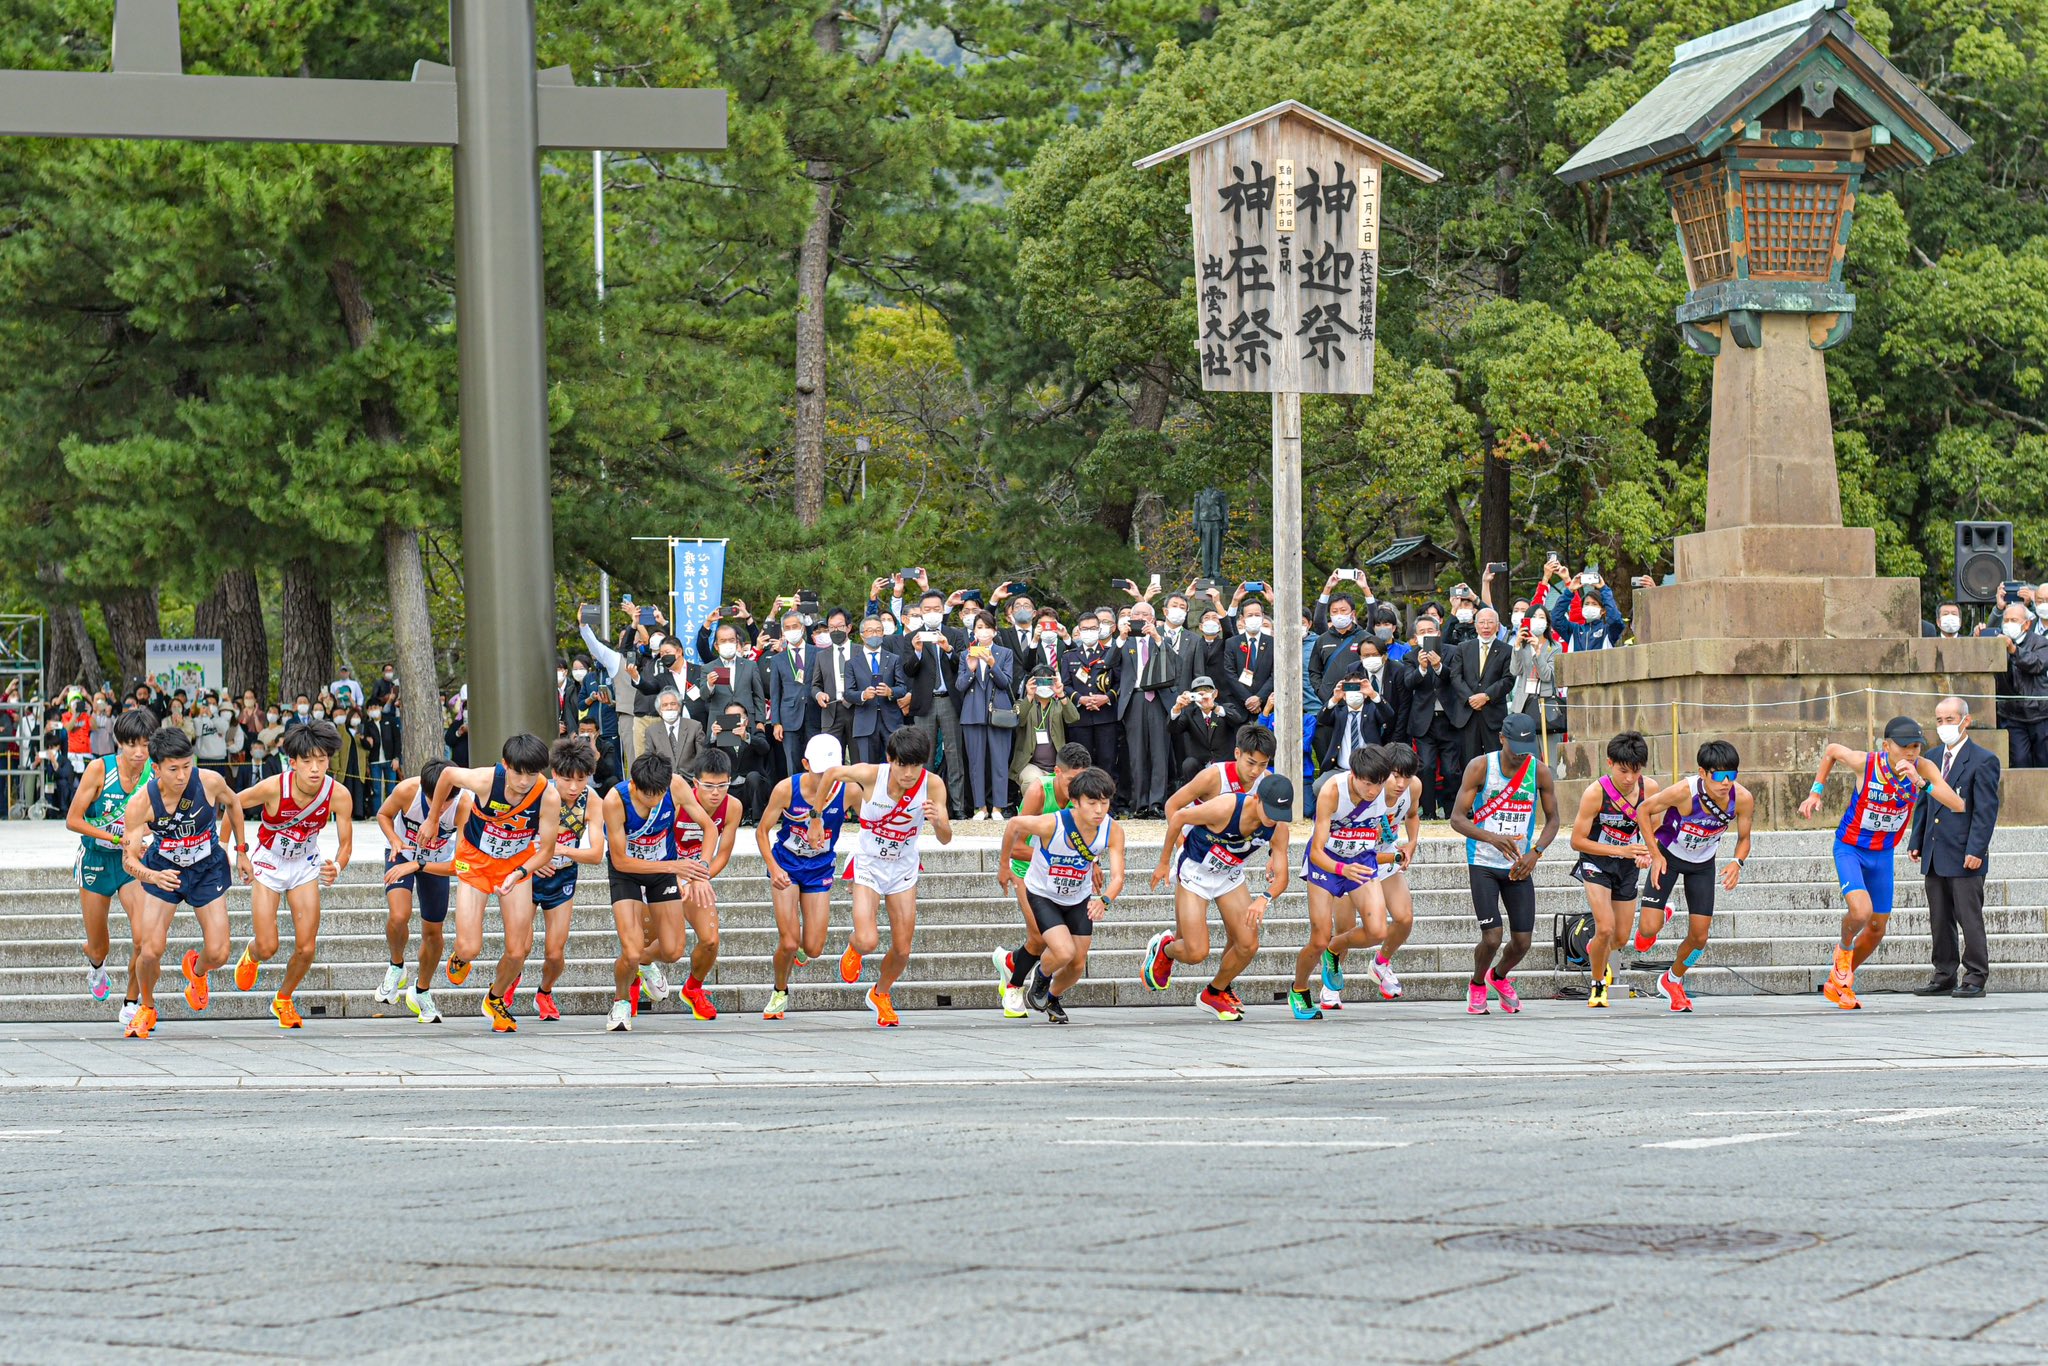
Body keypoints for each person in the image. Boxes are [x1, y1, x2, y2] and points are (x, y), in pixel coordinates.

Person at [1798, 719, 1965, 1012]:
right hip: (1851, 848)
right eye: (1904, 747)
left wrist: (1921, 783)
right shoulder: (1866, 763)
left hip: (1883, 854)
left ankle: (1840, 981)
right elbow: (1833, 750)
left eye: (1916, 747)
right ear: (1887, 746)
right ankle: (1843, 950)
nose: (1911, 753)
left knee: (1876, 928)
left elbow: (1957, 804)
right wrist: (1816, 792)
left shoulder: (1923, 768)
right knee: (1861, 912)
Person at [810, 726, 954, 1027]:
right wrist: (816, 816)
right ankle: (854, 948)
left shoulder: (933, 785)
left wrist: (939, 822)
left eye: (916, 765)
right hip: (869, 863)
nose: (909, 773)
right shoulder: (870, 775)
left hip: (903, 866)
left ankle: (880, 993)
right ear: (890, 759)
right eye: (902, 765)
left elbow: (945, 838)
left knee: (902, 949)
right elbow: (832, 773)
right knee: (867, 940)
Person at [422, 733, 565, 1033]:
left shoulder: (548, 797)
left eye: (532, 774)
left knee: (518, 950)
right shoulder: (487, 780)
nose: (524, 782)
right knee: (469, 947)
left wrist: (520, 873)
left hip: (515, 864)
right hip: (475, 860)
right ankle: (461, 957)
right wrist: (433, 819)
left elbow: (546, 851)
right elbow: (447, 775)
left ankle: (495, 998)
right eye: (518, 773)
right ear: (505, 765)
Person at [117, 727, 249, 1039]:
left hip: (207, 868)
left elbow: (234, 804)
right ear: (156, 768)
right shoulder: (140, 803)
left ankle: (197, 972)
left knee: (219, 953)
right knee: (149, 950)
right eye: (173, 769)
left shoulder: (209, 782)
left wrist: (241, 850)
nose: (182, 776)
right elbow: (129, 860)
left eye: (187, 766)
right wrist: (152, 876)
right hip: (164, 871)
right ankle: (147, 1006)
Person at [1143, 771, 1292, 1021]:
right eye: (1270, 813)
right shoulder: (1226, 807)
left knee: (1248, 944)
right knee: (1196, 952)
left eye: (1279, 815)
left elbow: (1283, 877)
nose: (1272, 820)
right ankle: (1165, 949)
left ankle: (1214, 992)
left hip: (1229, 875)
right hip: (1195, 871)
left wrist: (1263, 898)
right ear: (1257, 798)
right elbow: (1178, 816)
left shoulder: (1278, 829)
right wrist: (1164, 861)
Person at [233, 720, 353, 1028]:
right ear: (293, 762)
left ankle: (283, 999)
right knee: (268, 946)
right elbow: (233, 805)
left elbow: (346, 844)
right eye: (308, 761)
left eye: (321, 761)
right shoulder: (274, 787)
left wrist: (338, 866)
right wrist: (239, 851)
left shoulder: (338, 794)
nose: (315, 769)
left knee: (307, 947)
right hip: (270, 862)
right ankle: (252, 955)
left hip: (304, 864)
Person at [1633, 740, 1757, 1013]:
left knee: (1700, 938)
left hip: (1702, 864)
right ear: (1703, 773)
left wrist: (1737, 862)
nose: (1726, 783)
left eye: (1732, 775)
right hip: (1669, 855)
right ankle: (1663, 912)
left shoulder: (1742, 798)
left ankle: (1673, 979)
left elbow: (1744, 838)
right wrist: (1654, 853)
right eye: (1719, 776)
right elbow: (1643, 810)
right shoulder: (1683, 792)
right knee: (1647, 930)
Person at [598, 750, 719, 1030]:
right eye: (646, 796)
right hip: (627, 873)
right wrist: (674, 867)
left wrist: (701, 871)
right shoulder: (615, 800)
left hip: (662, 871)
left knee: (673, 951)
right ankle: (621, 1001)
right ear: (634, 785)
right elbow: (620, 860)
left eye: (658, 795)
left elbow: (709, 828)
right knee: (630, 950)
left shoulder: (675, 785)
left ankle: (644, 964)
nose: (653, 801)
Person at [1448, 713, 1559, 1016]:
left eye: (1527, 749)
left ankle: (1498, 976)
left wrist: (1536, 852)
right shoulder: (1481, 766)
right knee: (1493, 936)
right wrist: (1492, 838)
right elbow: (1457, 819)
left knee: (1522, 942)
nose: (1521, 755)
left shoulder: (1539, 771)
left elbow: (1554, 820)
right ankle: (1477, 983)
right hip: (1483, 862)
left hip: (1519, 865)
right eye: (1516, 749)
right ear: (1501, 739)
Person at [1005, 767, 1126, 1023]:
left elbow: (1118, 877)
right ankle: (1041, 975)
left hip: (1078, 897)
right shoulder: (1053, 823)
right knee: (1063, 951)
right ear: (1075, 802)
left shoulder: (1112, 829)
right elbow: (1014, 824)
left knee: (1077, 964)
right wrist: (1004, 866)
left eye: (1104, 803)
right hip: (1043, 894)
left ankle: (1052, 996)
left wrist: (1104, 900)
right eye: (1092, 803)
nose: (1099, 810)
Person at [66, 707, 155, 1022]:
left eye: (145, 745)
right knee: (98, 947)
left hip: (130, 863)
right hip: (96, 861)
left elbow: (155, 819)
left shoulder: (153, 773)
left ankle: (131, 1003)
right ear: (119, 742)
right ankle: (96, 965)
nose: (139, 752)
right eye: (132, 745)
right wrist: (116, 837)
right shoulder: (99, 770)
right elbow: (73, 820)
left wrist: (143, 837)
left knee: (144, 937)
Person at [1288, 747, 1389, 1020]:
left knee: (1378, 931)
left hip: (1361, 858)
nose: (1373, 791)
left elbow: (1410, 805)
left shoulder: (1390, 787)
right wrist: (1342, 869)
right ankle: (1299, 989)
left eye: (1379, 784)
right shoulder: (1332, 791)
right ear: (1354, 774)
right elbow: (1316, 851)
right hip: (1328, 862)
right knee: (1318, 937)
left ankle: (1335, 948)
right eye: (1367, 784)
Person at [1909, 698, 2001, 998]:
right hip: (1936, 851)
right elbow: (1924, 803)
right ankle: (1944, 974)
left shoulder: (1983, 760)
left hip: (1965, 853)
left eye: (1950, 719)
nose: (1944, 725)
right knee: (1939, 918)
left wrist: (1977, 849)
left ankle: (1975, 975)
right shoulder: (1931, 758)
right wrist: (1916, 840)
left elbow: (1985, 811)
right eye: (1939, 720)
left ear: (1965, 721)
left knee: (1968, 917)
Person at [993, 742, 1092, 1018]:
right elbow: (1016, 845)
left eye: (1082, 781)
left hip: (1061, 877)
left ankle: (1012, 962)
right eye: (1071, 781)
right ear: (1057, 772)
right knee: (1038, 935)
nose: (1077, 789)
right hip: (1027, 870)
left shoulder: (1085, 797)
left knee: (1065, 947)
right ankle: (1013, 987)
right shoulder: (1039, 792)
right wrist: (1056, 856)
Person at [1320, 743, 1421, 1009]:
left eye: (1407, 776)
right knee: (1344, 927)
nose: (1400, 784)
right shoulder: (1362, 790)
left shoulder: (1413, 787)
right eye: (1394, 776)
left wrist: (1412, 842)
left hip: (1383, 856)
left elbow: (1412, 815)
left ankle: (1381, 963)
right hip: (1348, 857)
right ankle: (1330, 984)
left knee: (1404, 917)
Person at [758, 734, 849, 1018]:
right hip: (787, 864)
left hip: (819, 868)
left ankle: (799, 949)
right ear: (805, 764)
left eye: (831, 772)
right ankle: (779, 991)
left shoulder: (848, 791)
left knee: (814, 948)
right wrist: (774, 868)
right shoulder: (786, 789)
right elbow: (762, 831)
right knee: (788, 942)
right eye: (820, 772)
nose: (826, 779)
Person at [514, 739, 602, 1022]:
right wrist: (534, 861)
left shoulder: (592, 801)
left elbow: (596, 854)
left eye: (581, 779)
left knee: (554, 952)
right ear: (554, 774)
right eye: (567, 780)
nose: (574, 787)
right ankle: (508, 983)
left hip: (562, 876)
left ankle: (545, 991)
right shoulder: (537, 793)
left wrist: (560, 850)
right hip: (528, 874)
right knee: (521, 946)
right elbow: (513, 837)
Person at [1565, 732, 1655, 1009]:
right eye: (1623, 771)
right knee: (1604, 926)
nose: (1629, 778)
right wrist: (1621, 850)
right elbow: (1576, 841)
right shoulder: (1596, 793)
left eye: (1635, 771)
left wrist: (1648, 853)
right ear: (1610, 763)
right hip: (1596, 862)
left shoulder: (1650, 789)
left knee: (1620, 937)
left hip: (1627, 866)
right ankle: (1597, 984)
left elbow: (1658, 830)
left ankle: (1596, 947)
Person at [373, 758, 462, 1022]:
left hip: (435, 862)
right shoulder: (407, 790)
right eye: (435, 799)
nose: (441, 806)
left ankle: (421, 990)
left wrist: (420, 864)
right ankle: (396, 964)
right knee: (399, 915)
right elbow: (383, 814)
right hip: (402, 853)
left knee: (433, 932)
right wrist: (394, 839)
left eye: (447, 800)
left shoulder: (464, 805)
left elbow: (461, 865)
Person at [903, 589, 969, 819]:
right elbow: (908, 670)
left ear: (943, 610)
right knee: (925, 755)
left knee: (954, 754)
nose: (932, 613)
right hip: (925, 702)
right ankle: (924, 807)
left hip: (950, 700)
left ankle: (958, 807)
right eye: (927, 609)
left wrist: (948, 649)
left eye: (936, 609)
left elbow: (963, 665)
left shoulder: (954, 634)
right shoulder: (912, 637)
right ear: (921, 612)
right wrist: (917, 652)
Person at [1115, 601, 1178, 817]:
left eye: (1145, 614)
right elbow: (1108, 662)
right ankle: (1140, 803)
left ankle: (1157, 803)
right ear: (1130, 617)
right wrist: (1121, 637)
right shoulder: (1125, 641)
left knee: (1160, 752)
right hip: (1135, 698)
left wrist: (1157, 637)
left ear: (1152, 618)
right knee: (1137, 753)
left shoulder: (1162, 638)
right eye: (1137, 614)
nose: (1141, 617)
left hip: (1158, 698)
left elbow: (1174, 662)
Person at [955, 610, 1016, 820]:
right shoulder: (966, 654)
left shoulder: (1005, 653)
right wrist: (971, 670)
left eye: (987, 627)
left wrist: (992, 664)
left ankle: (998, 806)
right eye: (979, 627)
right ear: (973, 631)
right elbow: (959, 685)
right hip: (972, 714)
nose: (983, 632)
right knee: (975, 762)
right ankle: (979, 807)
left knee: (999, 761)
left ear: (995, 631)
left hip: (998, 713)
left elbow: (1006, 683)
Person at [1399, 618, 1459, 818]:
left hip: (1449, 719)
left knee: (1451, 769)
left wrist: (1438, 666)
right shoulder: (1410, 656)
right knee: (1426, 767)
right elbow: (1408, 682)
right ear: (1416, 637)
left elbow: (1454, 678)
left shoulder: (1452, 651)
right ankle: (1428, 811)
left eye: (1430, 630)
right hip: (1424, 721)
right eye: (1422, 632)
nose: (1427, 634)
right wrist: (1422, 668)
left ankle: (1452, 811)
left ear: (1438, 633)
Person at [1061, 612, 1121, 807]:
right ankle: (1083, 803)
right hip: (1080, 717)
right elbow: (1065, 684)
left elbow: (1120, 682)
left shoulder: (1111, 653)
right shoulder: (1069, 656)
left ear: (1099, 629)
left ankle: (1107, 805)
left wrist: (1107, 697)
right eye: (1085, 629)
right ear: (1079, 631)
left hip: (1106, 716)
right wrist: (1080, 698)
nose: (1089, 632)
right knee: (1081, 764)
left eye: (1093, 628)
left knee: (1107, 761)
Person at [1449, 606, 1513, 762]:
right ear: (1476, 625)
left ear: (1497, 626)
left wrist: (1486, 696)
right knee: (1470, 762)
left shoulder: (1507, 650)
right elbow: (1455, 676)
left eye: (1490, 622)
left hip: (1493, 713)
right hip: (1468, 713)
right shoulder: (1463, 648)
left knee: (1496, 760)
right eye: (1482, 622)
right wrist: (1470, 698)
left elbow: (1508, 679)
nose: (1486, 627)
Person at [766, 607, 821, 783]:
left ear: (803, 628)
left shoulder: (817, 653)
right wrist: (776, 722)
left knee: (816, 762)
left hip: (815, 714)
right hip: (789, 718)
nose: (792, 630)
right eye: (787, 628)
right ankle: (796, 797)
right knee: (793, 763)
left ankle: (818, 796)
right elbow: (775, 692)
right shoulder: (778, 659)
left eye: (795, 626)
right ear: (783, 631)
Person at [847, 614, 909, 764]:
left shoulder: (893, 659)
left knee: (896, 764)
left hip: (891, 721)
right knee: (868, 768)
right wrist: (863, 695)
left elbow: (902, 688)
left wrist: (890, 692)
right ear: (862, 635)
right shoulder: (852, 663)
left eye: (878, 630)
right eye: (870, 631)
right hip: (865, 721)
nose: (874, 634)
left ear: (882, 633)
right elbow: (848, 693)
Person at [1311, 665, 1392, 779]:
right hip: (1340, 769)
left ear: (1364, 694)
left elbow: (1388, 715)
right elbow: (1322, 719)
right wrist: (1334, 699)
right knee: (1318, 786)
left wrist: (1373, 694)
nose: (1354, 693)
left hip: (1369, 768)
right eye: (1349, 688)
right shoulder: (1339, 712)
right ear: (1344, 695)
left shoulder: (1372, 709)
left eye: (1357, 688)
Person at [1508, 604, 1564, 765]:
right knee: (1527, 757)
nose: (1537, 620)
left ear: (1547, 623)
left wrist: (1538, 653)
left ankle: (1552, 780)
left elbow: (1547, 676)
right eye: (1533, 617)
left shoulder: (1555, 647)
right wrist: (1517, 647)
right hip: (1524, 702)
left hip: (1545, 703)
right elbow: (1515, 670)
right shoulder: (1522, 645)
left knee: (1551, 756)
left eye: (1541, 617)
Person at [1994, 601, 2048, 767]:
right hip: (2012, 714)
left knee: (2043, 759)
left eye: (2014, 620)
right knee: (2019, 760)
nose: (2009, 624)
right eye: (2006, 620)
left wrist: (2014, 650)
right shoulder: (1997, 643)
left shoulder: (2041, 642)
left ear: (2027, 624)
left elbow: (2037, 664)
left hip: (2039, 713)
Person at [1011, 667, 1079, 792]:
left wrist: (1061, 694)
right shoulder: (1022, 703)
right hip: (1029, 764)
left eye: (1048, 681)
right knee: (1034, 782)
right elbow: (1019, 720)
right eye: (1040, 681)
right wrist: (1029, 695)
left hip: (1057, 765)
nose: (1044, 686)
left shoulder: (1059, 704)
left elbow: (1074, 718)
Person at [1168, 675, 1239, 784]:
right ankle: (1195, 793)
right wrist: (1176, 708)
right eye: (1198, 693)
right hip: (1201, 766)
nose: (1203, 696)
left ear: (1215, 693)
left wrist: (1214, 707)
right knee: (1189, 764)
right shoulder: (1190, 714)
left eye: (1206, 691)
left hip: (1224, 764)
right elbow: (1173, 729)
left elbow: (1237, 719)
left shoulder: (1226, 708)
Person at [708, 703, 772, 823]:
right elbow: (705, 755)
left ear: (746, 721)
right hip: (730, 788)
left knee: (753, 777)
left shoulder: (755, 733)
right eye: (729, 717)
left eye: (737, 716)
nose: (734, 720)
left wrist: (746, 737)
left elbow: (764, 748)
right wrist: (713, 737)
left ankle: (758, 818)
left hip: (752, 787)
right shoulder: (719, 737)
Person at [643, 687, 705, 773]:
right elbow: (650, 760)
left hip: (690, 778)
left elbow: (701, 757)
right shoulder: (651, 731)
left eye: (673, 704)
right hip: (664, 778)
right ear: (659, 710)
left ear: (679, 707)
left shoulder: (695, 726)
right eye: (665, 705)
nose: (669, 708)